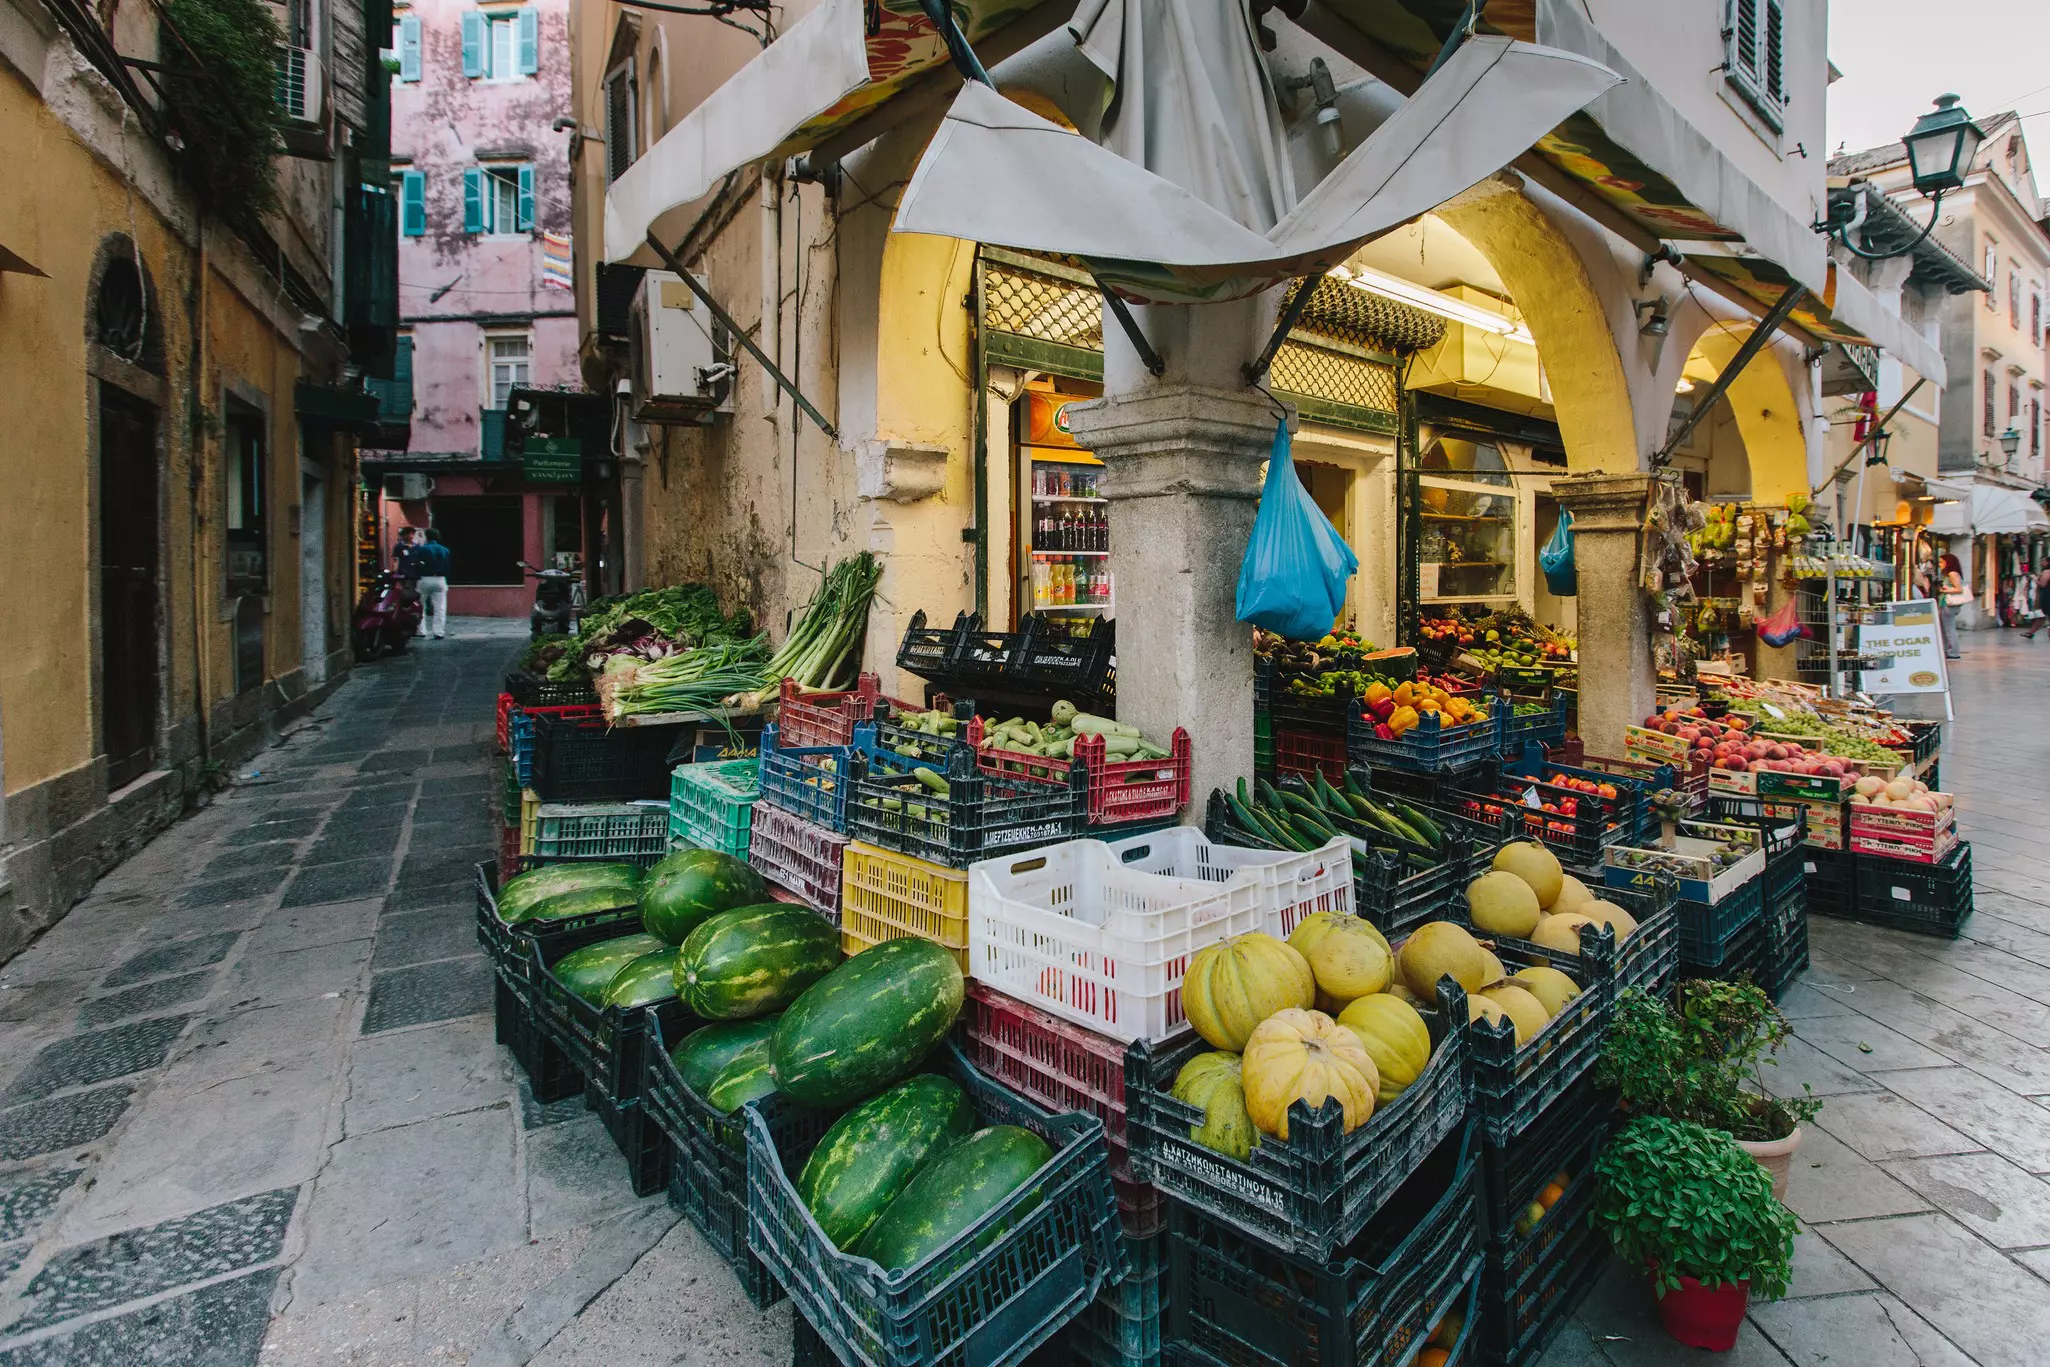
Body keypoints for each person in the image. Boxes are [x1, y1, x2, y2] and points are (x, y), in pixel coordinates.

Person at [414, 528, 452, 639]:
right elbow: (448, 566)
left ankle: (421, 630)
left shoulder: (421, 550)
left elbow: (416, 564)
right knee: (440, 607)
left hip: (424, 578)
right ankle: (438, 631)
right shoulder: (444, 550)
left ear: (427, 536)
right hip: (440, 579)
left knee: (421, 605)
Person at [1938, 552, 1967, 660]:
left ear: (1948, 562)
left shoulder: (1952, 574)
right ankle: (1947, 650)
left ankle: (1954, 652)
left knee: (1949, 629)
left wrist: (1944, 590)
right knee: (1946, 628)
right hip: (1947, 604)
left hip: (1949, 605)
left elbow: (1959, 589)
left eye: (1941, 562)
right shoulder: (1950, 574)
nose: (1940, 564)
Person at [2024, 562, 2050, 639]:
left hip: (2047, 596)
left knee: (2042, 615)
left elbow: (2042, 584)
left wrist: (2034, 578)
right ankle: (2031, 632)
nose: (2042, 562)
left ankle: (2031, 632)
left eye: (2044, 561)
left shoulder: (2047, 571)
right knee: (2042, 615)